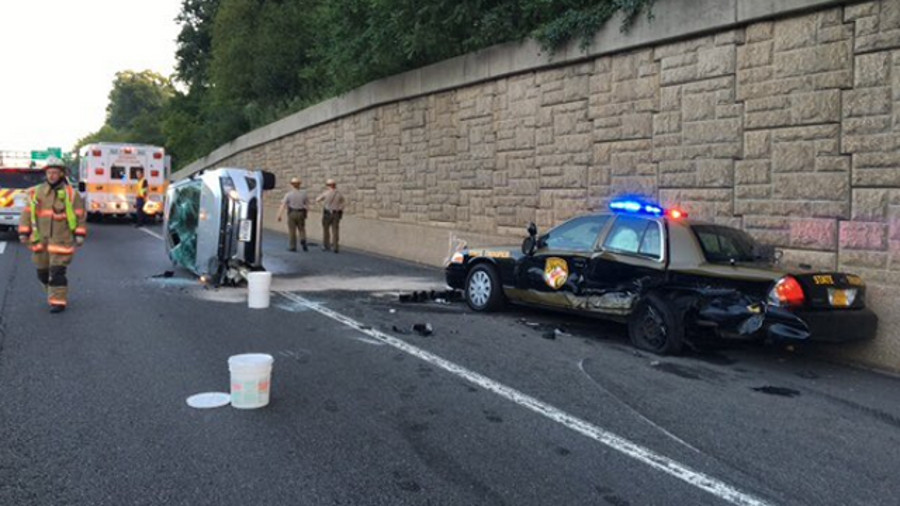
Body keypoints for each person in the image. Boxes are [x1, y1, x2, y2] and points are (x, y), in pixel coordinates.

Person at [18, 157, 87, 313]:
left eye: (55, 172)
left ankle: (58, 302)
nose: (52, 176)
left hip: (61, 240)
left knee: (57, 272)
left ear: (61, 174)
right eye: (49, 172)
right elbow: (26, 214)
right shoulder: (36, 192)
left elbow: (79, 216)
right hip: (40, 240)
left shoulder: (71, 194)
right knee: (42, 273)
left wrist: (79, 234)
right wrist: (23, 232)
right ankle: (53, 291)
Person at [276, 177, 309, 252]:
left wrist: (279, 215)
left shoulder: (288, 194)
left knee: (292, 231)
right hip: (301, 212)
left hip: (292, 213)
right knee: (302, 229)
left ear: (292, 185)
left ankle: (293, 246)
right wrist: (306, 213)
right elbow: (307, 205)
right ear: (299, 184)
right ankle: (303, 239)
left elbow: (283, 205)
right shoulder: (304, 194)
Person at [316, 178, 345, 253]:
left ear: (328, 185)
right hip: (336, 213)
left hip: (327, 213)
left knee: (326, 230)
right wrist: (339, 209)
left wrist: (323, 205)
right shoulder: (339, 194)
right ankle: (335, 246)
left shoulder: (326, 193)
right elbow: (343, 203)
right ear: (334, 185)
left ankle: (326, 245)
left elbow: (317, 200)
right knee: (335, 230)